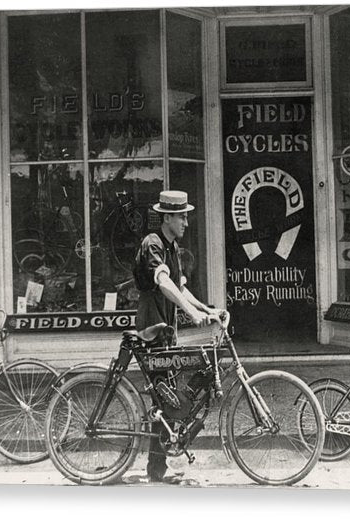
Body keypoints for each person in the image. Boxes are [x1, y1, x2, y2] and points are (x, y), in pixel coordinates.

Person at [133, 190, 219, 482]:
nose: (185, 221)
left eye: (186, 216)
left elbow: (180, 288)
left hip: (167, 329)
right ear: (166, 217)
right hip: (152, 327)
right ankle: (155, 470)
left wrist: (207, 309)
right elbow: (163, 282)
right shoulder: (153, 244)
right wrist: (192, 315)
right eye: (181, 216)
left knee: (166, 398)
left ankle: (159, 468)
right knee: (163, 398)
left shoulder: (173, 247)